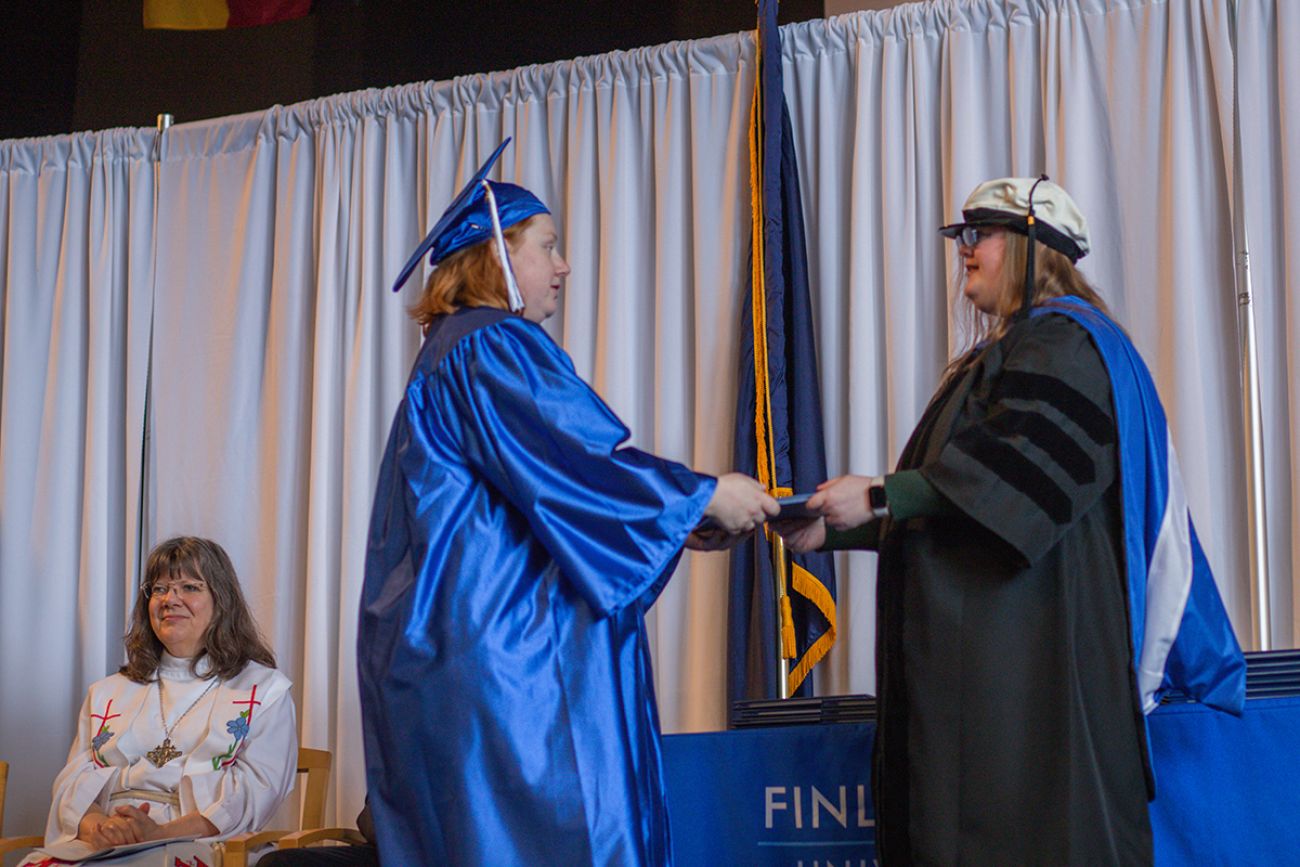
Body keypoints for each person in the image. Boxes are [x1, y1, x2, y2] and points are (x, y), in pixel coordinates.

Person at [779, 177, 1245, 865]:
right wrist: (834, 525)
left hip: (1032, 696)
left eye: (980, 235)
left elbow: (1014, 487)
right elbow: (966, 503)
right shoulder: (1022, 350)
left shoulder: (1067, 346)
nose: (964, 251)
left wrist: (878, 496)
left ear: (1034, 245)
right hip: (1000, 688)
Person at [358, 139, 777, 865]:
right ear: (495, 256)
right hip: (509, 669)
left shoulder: (447, 352)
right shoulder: (492, 344)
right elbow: (575, 467)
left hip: (453, 655)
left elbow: (545, 489)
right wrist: (704, 494)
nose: (564, 265)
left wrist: (687, 519)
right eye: (547, 246)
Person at [23, 537, 297, 866]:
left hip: (203, 845)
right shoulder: (108, 692)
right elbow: (72, 783)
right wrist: (101, 826)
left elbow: (255, 794)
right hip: (106, 843)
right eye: (159, 589)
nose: (170, 599)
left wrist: (156, 834)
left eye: (190, 587)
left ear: (222, 601)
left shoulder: (263, 690)